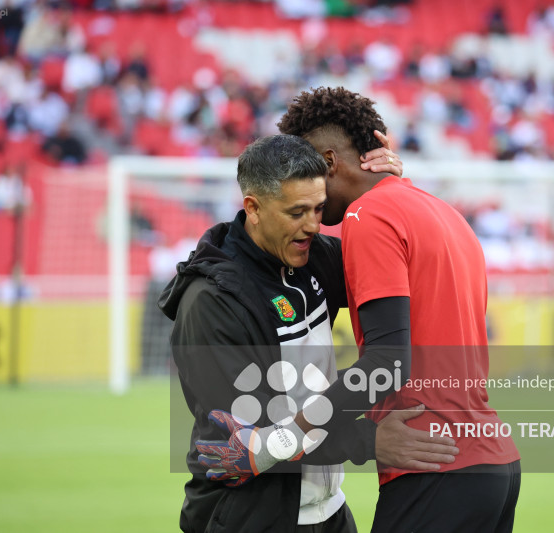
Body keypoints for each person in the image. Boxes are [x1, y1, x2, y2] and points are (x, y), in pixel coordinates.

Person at [159, 134, 457, 532]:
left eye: (318, 208)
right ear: (254, 208)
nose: (313, 226)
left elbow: (396, 268)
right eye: (297, 212)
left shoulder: (314, 258)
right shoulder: (212, 301)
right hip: (248, 517)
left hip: (329, 511)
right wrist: (367, 441)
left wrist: (388, 190)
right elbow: (246, 438)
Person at [278, 87, 521, 532]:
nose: (300, 189)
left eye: (303, 169)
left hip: (432, 462)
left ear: (329, 162)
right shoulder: (444, 212)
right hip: (493, 464)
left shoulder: (367, 216)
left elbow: (388, 362)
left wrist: (293, 429)